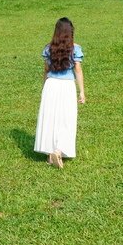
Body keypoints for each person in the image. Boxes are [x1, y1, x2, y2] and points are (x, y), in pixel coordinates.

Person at [34, 17, 85, 168]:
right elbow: (78, 70)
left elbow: (46, 70)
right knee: (66, 118)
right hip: (67, 86)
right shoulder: (75, 48)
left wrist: (44, 87)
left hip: (51, 85)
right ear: (71, 32)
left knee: (50, 118)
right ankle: (59, 150)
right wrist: (81, 91)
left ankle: (50, 153)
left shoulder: (48, 48)